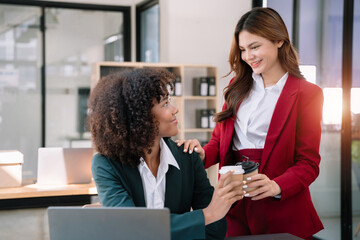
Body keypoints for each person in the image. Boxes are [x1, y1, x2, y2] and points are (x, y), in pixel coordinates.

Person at [176, 7, 324, 239]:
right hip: (234, 203)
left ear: (279, 41)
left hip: (281, 207)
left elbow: (308, 163)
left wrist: (277, 186)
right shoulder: (237, 87)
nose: (248, 56)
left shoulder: (307, 93)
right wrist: (202, 154)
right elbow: (219, 142)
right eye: (243, 49)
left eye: (255, 47)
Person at [88, 68, 245, 240]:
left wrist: (209, 216)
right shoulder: (106, 164)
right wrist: (205, 216)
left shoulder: (188, 156)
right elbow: (130, 226)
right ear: (139, 117)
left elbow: (215, 230)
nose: (174, 109)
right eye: (164, 104)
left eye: (169, 101)